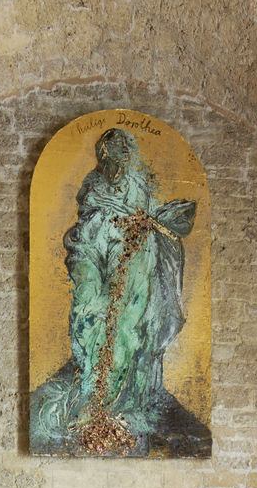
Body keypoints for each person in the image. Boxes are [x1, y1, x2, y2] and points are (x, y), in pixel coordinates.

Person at [30, 128, 210, 457]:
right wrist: (109, 228)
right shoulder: (94, 185)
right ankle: (91, 395)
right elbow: (86, 226)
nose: (114, 162)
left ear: (127, 156)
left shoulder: (140, 186)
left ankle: (116, 401)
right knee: (88, 313)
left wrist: (145, 225)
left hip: (132, 255)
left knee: (127, 321)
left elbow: (155, 221)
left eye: (120, 156)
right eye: (108, 156)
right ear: (103, 157)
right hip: (93, 251)